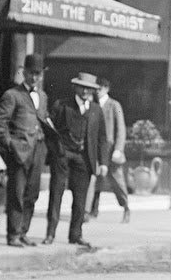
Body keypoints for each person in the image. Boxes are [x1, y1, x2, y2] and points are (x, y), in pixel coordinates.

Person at [43, 72, 109, 247]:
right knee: (56, 193)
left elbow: (102, 138)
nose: (86, 91)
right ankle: (50, 234)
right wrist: (56, 151)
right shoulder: (61, 105)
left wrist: (103, 162)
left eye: (90, 88)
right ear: (76, 87)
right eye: (83, 87)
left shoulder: (96, 110)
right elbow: (49, 131)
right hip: (63, 156)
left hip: (84, 158)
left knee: (80, 199)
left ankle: (76, 235)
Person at [0, 54, 50, 247]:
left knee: (32, 194)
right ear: (23, 72)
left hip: (38, 151)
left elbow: (42, 120)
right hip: (19, 152)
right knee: (16, 193)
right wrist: (11, 145)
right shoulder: (12, 95)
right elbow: (0, 124)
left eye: (38, 74)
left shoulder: (42, 96)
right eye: (31, 73)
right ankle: (13, 234)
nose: (34, 78)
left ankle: (24, 231)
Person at [88, 77, 131, 223]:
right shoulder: (92, 104)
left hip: (111, 149)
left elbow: (121, 129)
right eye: (95, 89)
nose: (97, 92)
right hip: (96, 148)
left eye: (99, 89)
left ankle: (126, 207)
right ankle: (92, 210)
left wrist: (118, 148)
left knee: (117, 181)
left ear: (106, 89)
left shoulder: (114, 105)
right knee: (95, 179)